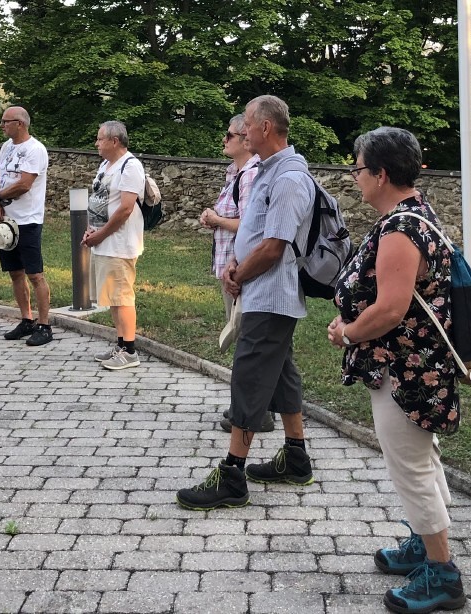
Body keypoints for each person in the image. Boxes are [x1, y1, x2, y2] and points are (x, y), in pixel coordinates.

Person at [326, 127, 466, 613]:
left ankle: (443, 575)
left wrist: (348, 332)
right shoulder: (413, 215)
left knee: (411, 468)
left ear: (381, 174)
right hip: (412, 364)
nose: (355, 177)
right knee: (421, 459)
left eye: (358, 168)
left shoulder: (401, 229)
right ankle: (424, 546)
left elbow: (390, 309)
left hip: (406, 371)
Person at [176, 95, 315, 510]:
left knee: (249, 377)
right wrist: (236, 258)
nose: (242, 131)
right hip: (263, 292)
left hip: (271, 295)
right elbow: (255, 232)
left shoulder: (289, 177)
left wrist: (239, 274)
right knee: (282, 373)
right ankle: (296, 457)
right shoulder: (269, 171)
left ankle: (232, 476)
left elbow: (273, 247)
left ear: (265, 128)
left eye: (247, 125)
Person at [197, 115, 274, 433]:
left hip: (242, 270)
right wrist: (213, 217)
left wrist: (216, 220)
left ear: (245, 139)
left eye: (229, 135)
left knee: (247, 341)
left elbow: (251, 224)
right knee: (246, 339)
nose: (223, 139)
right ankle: (251, 407)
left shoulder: (250, 175)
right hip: (232, 268)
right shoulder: (236, 173)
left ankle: (253, 411)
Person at [0, 106, 52, 346]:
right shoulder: (6, 147)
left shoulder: (35, 150)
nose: (2, 125)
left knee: (35, 274)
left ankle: (44, 325)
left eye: (6, 121)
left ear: (20, 124)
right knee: (15, 272)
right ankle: (26, 319)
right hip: (6, 220)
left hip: (28, 220)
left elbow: (24, 184)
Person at [83, 120, 145, 370]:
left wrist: (101, 234)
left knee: (122, 295)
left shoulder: (130, 166)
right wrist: (92, 230)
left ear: (114, 141)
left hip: (119, 243)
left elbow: (125, 208)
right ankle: (120, 344)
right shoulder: (106, 165)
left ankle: (130, 351)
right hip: (103, 241)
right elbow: (101, 199)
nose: (96, 143)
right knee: (113, 296)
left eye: (100, 139)